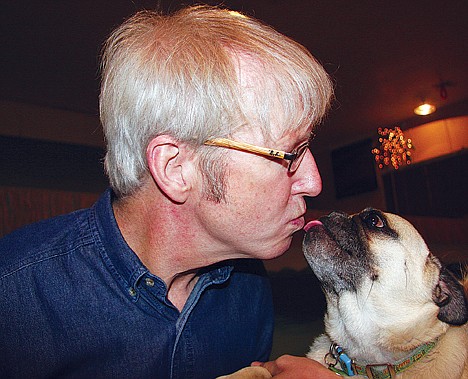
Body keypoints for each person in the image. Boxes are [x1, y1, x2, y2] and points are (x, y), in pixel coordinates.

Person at [0, 5, 335, 379]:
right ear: (175, 168)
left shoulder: (248, 288)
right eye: (290, 154)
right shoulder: (14, 296)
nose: (313, 181)